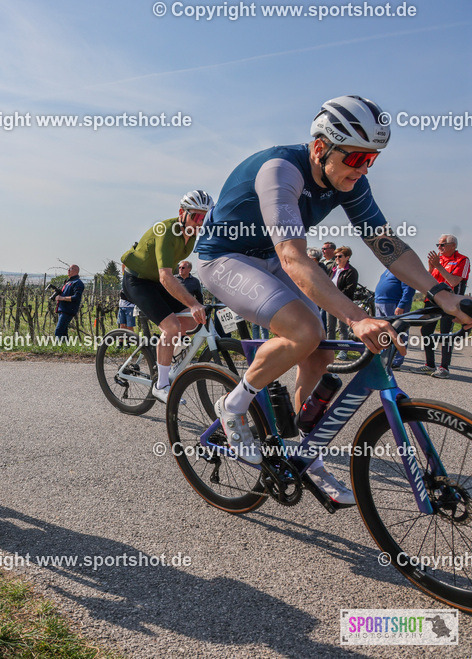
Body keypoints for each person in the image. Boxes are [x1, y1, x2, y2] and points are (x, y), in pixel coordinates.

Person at [195, 95, 472, 506]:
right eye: (356, 158)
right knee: (304, 329)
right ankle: (233, 405)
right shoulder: (280, 171)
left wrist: (444, 294)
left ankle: (306, 451)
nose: (362, 170)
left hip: (270, 257)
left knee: (318, 349)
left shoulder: (348, 180)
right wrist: (359, 318)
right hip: (225, 258)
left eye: (371, 160)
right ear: (322, 147)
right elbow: (293, 256)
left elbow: (387, 245)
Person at [121, 189, 214, 402]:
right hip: (138, 280)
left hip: (155, 281)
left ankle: (165, 349)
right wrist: (192, 303)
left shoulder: (192, 235)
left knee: (192, 321)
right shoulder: (166, 230)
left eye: (205, 217)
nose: (200, 222)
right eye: (196, 216)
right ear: (182, 212)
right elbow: (166, 276)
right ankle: (161, 384)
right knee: (172, 326)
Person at [414, 234, 469, 378]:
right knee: (426, 332)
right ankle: (429, 364)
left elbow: (454, 282)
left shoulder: (462, 260)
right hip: (431, 301)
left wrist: (438, 265)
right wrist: (431, 267)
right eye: (438, 245)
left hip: (450, 303)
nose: (439, 248)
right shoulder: (439, 259)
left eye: (442, 245)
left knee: (446, 334)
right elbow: (426, 280)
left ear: (453, 246)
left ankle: (444, 368)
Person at [373, 268, 414, 369]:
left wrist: (402, 305)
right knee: (383, 332)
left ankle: (396, 360)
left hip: (394, 304)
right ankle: (384, 357)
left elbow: (409, 289)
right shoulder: (387, 270)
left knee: (398, 332)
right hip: (381, 303)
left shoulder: (403, 269)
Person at [326, 246, 359, 357]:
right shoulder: (334, 269)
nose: (337, 258)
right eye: (335, 256)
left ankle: (343, 351)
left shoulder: (351, 271)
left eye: (340, 256)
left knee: (342, 328)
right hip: (330, 303)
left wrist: (336, 296)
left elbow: (349, 289)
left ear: (347, 257)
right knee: (330, 327)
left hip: (343, 304)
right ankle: (329, 349)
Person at [54, 265, 84, 339]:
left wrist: (62, 298)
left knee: (58, 331)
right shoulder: (68, 282)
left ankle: (59, 348)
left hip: (68, 310)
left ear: (76, 271)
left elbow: (76, 297)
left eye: (70, 269)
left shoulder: (78, 283)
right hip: (62, 309)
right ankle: (65, 348)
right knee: (63, 332)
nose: (68, 270)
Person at [117, 264, 136, 330]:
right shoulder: (125, 277)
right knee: (122, 326)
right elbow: (123, 265)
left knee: (129, 327)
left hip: (130, 307)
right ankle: (121, 340)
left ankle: (130, 340)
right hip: (122, 306)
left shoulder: (134, 280)